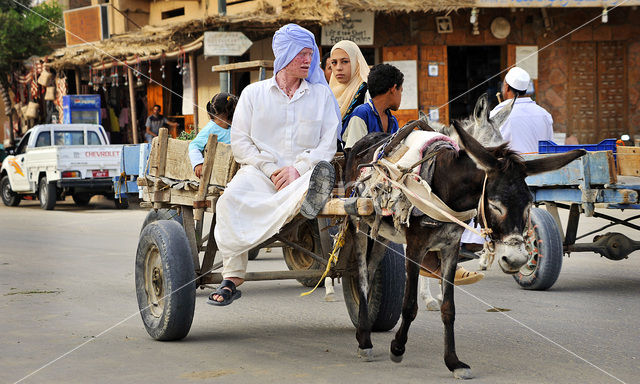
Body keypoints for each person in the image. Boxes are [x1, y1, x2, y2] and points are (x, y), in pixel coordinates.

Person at [208, 24, 340, 306]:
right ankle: (232, 276)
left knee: (315, 179)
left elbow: (328, 145)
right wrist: (269, 169)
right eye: (302, 54)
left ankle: (303, 199)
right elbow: (241, 143)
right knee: (229, 200)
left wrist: (298, 169)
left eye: (311, 54)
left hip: (305, 175)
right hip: (260, 172)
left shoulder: (322, 96)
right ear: (284, 56)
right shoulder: (253, 94)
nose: (309, 60)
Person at [461, 66, 554, 268]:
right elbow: (549, 143)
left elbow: (492, 148)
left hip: (510, 176)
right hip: (542, 173)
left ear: (506, 88)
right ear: (527, 89)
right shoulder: (544, 114)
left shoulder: (498, 113)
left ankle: (471, 242)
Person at [341, 63, 401, 150]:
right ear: (393, 89)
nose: (400, 96)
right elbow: (354, 155)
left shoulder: (392, 121)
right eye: (401, 91)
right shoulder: (361, 114)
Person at [188, 92, 238, 178]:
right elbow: (194, 145)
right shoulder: (210, 129)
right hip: (220, 173)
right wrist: (198, 163)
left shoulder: (233, 127)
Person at [329, 40, 370, 140]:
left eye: (345, 62)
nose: (338, 68)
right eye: (334, 63)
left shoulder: (366, 91)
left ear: (356, 62)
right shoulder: (328, 92)